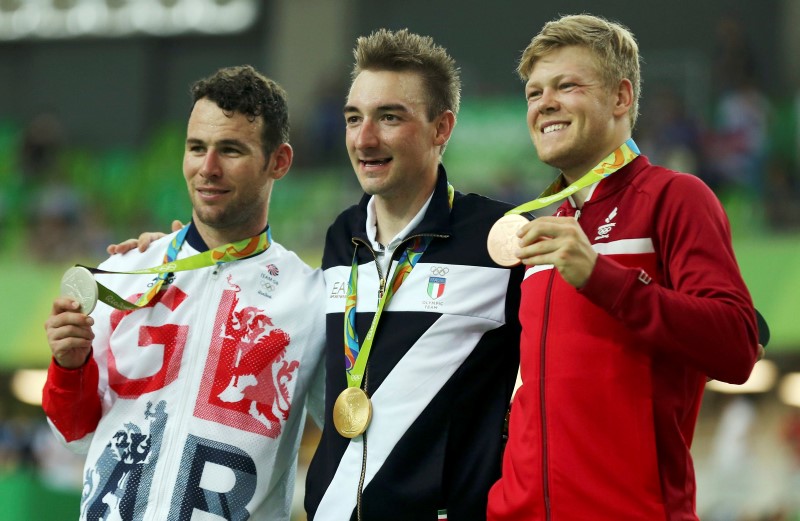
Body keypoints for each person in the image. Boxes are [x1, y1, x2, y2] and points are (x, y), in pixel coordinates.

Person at [485, 14, 760, 521]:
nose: (544, 102)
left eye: (566, 85)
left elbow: (738, 345)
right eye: (534, 92)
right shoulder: (545, 230)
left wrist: (602, 278)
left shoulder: (674, 198)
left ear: (621, 97)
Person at [42, 65, 325, 521]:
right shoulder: (122, 273)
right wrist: (68, 365)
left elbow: (347, 438)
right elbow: (73, 436)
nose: (207, 169)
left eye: (231, 150)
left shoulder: (311, 298)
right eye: (197, 148)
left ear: (280, 161)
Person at [303, 28, 523, 521]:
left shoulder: (501, 238)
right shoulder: (342, 239)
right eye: (353, 118)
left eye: (389, 118)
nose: (364, 139)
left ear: (441, 128)